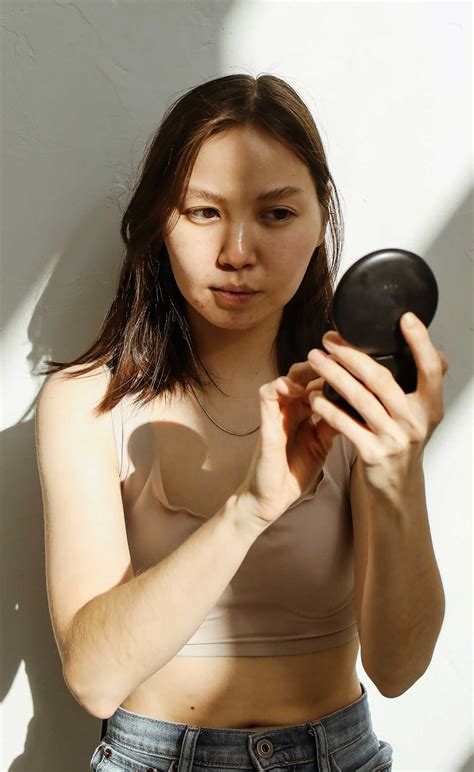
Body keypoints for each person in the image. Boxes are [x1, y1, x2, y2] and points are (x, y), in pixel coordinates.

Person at [35, 73, 448, 771]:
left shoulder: (354, 394)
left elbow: (399, 669)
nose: (236, 252)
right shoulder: (87, 400)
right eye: (203, 212)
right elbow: (95, 679)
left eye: (277, 214)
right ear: (160, 220)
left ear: (320, 220)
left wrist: (396, 471)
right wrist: (248, 509)